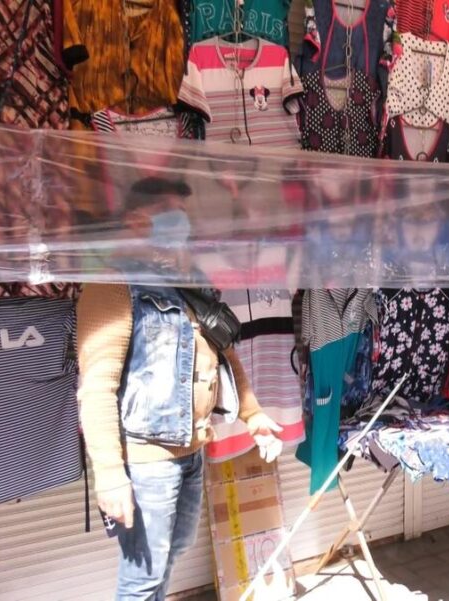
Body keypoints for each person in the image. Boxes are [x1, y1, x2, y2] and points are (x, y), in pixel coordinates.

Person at [77, 177, 283, 600]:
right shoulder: (113, 285)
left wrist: (253, 414)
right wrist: (110, 476)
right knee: (143, 578)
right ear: (136, 221)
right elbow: (96, 388)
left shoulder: (189, 281)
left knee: (172, 556)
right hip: (147, 461)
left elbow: (224, 353)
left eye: (184, 215)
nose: (181, 225)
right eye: (170, 214)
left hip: (192, 452)